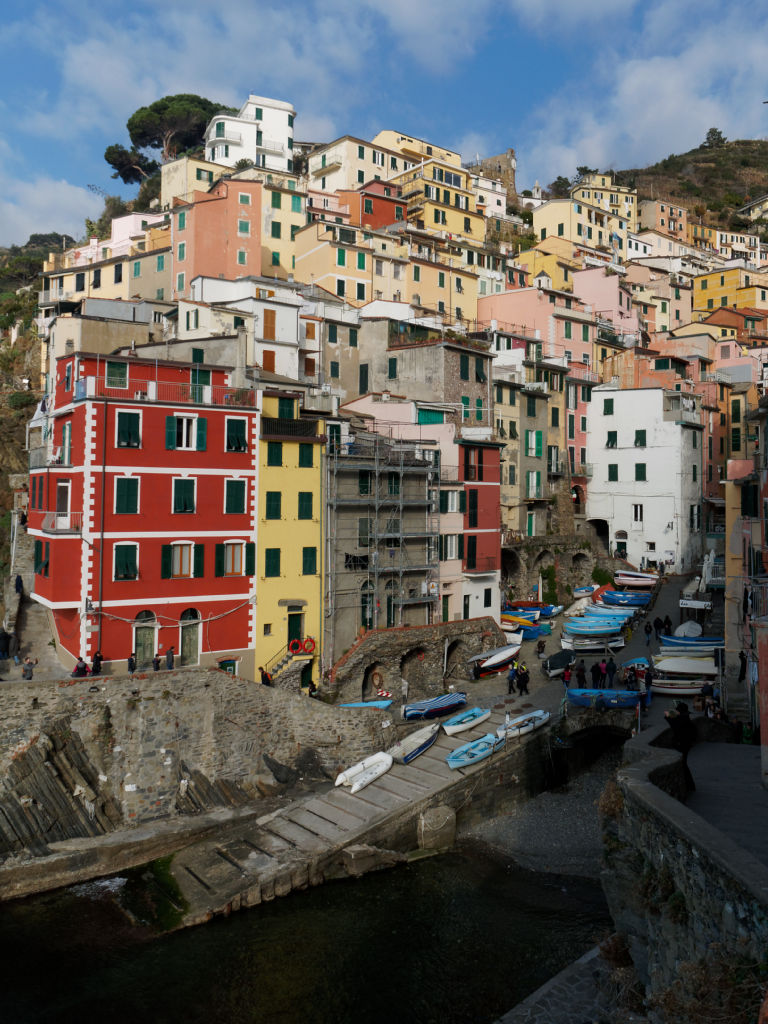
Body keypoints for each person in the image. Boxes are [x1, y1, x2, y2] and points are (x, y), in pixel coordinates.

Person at [665, 701, 696, 792]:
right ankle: (690, 785)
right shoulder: (685, 718)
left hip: (682, 745)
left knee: (683, 764)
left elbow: (675, 726)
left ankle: (690, 786)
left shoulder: (683, 719)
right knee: (684, 764)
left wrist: (668, 717)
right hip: (686, 744)